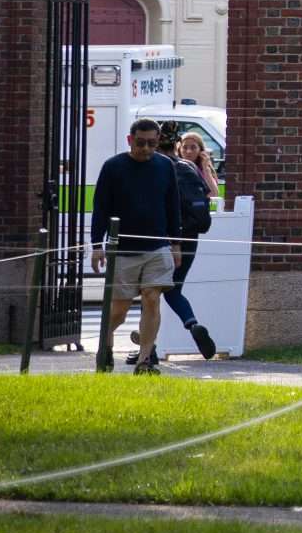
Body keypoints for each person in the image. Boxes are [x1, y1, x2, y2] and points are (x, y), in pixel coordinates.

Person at [89, 117, 182, 375]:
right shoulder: (113, 167)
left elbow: (173, 207)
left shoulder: (165, 166)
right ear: (131, 140)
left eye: (152, 143)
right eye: (141, 143)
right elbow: (101, 208)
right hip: (123, 249)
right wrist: (97, 245)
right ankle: (105, 345)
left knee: (152, 299)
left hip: (157, 246)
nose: (146, 149)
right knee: (119, 310)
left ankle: (144, 360)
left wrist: (176, 243)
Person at [158, 124, 221, 358]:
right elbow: (208, 195)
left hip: (163, 238)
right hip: (190, 237)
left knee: (150, 292)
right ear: (177, 146)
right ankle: (193, 325)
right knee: (174, 288)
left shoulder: (157, 167)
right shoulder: (188, 168)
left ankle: (149, 349)